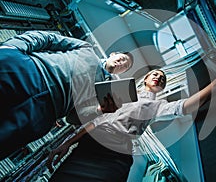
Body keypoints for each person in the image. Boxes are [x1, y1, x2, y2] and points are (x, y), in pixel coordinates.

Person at [47, 56, 216, 181]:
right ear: (146, 78)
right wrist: (67, 143)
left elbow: (188, 105)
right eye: (155, 74)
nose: (158, 76)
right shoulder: (121, 92)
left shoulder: (159, 106)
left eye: (162, 78)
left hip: (115, 155)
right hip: (87, 148)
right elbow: (96, 122)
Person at [0, 30, 134, 159]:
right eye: (122, 59)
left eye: (125, 66)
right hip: (30, 71)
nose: (121, 64)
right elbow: (49, 39)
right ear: (113, 54)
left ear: (120, 73)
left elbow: (73, 118)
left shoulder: (104, 92)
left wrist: (99, 110)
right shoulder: (86, 48)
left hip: (43, 111)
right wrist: (12, 47)